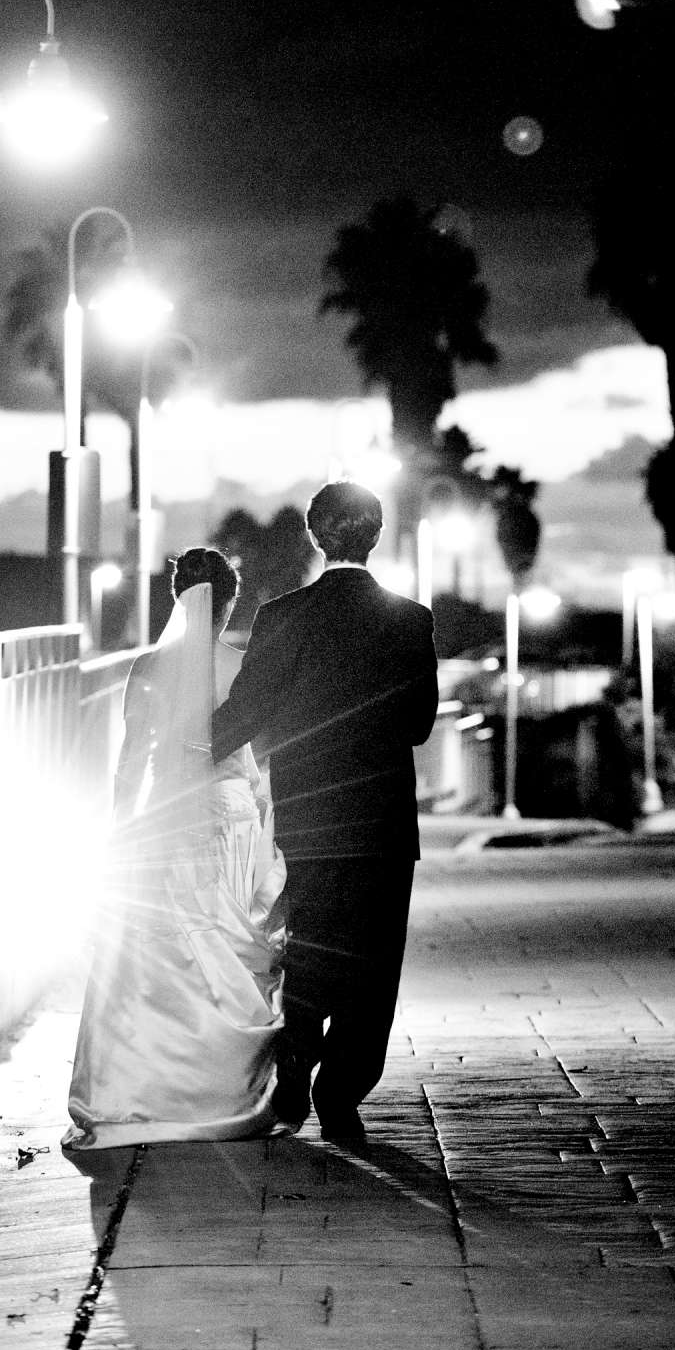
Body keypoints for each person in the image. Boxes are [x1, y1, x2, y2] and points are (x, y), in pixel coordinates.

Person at [210, 480, 438, 1153]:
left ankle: (291, 1074)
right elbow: (421, 725)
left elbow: (244, 715)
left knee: (307, 950)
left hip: (306, 817)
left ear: (316, 536)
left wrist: (176, 749)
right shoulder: (411, 619)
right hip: (382, 823)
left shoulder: (283, 617)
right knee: (372, 967)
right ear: (375, 535)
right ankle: (341, 1097)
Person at [62, 547, 287, 1150]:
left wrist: (119, 832)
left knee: (156, 957)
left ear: (176, 600)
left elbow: (131, 762)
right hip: (232, 823)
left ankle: (145, 1089)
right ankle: (228, 1089)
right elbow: (262, 759)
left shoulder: (147, 669)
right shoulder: (242, 665)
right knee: (230, 946)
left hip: (164, 819)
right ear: (228, 603)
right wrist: (266, 815)